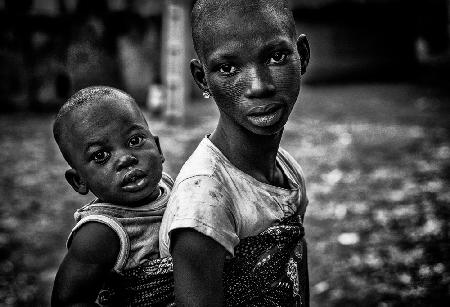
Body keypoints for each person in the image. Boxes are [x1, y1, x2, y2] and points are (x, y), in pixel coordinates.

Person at [159, 0, 311, 306]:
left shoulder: (286, 170)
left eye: (276, 56)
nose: (258, 86)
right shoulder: (204, 201)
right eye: (228, 68)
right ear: (202, 78)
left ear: (303, 56)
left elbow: (295, 273)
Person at [51, 86, 174, 306]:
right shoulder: (101, 233)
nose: (125, 158)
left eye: (134, 141)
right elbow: (69, 301)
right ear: (79, 181)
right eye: (100, 155)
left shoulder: (169, 185)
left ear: (157, 148)